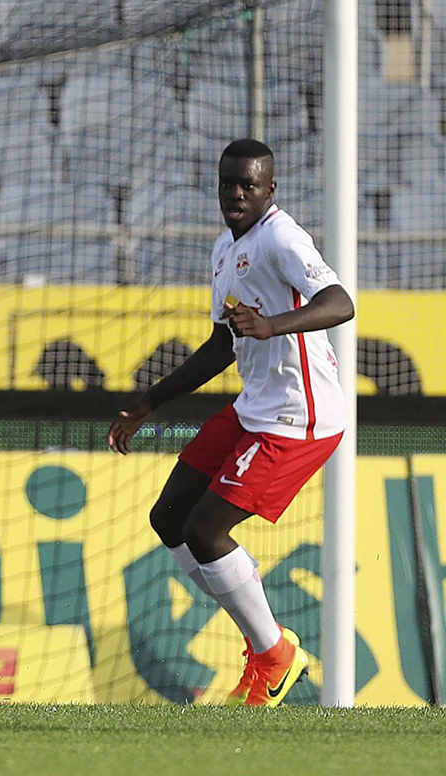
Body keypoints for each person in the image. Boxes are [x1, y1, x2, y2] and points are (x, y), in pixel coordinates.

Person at [109, 138, 352, 706]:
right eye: (228, 184)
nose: (237, 194)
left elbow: (341, 301)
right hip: (253, 407)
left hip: (299, 417)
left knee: (206, 532)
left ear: (271, 188)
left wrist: (274, 326)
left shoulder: (281, 237)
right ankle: (267, 647)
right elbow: (224, 341)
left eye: (249, 184)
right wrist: (153, 401)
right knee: (169, 517)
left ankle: (274, 656)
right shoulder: (225, 247)